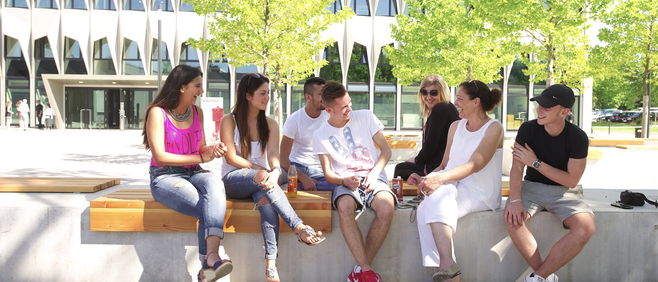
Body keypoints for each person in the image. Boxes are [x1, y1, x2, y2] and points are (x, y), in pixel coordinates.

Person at [220, 73, 325, 282]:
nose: (267, 97)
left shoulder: (270, 124)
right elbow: (231, 158)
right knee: (262, 177)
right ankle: (299, 227)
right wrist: (261, 170)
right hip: (233, 180)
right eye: (262, 93)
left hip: (261, 181)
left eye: (268, 93)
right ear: (248, 96)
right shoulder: (229, 121)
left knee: (266, 199)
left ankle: (271, 266)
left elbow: (275, 158)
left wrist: (276, 171)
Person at [142, 65, 233, 282]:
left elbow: (200, 148)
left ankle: (210, 260)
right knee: (206, 207)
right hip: (165, 176)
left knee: (215, 185)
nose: (201, 91)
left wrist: (210, 151)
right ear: (182, 87)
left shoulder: (197, 112)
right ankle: (209, 261)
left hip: (194, 171)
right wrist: (201, 158)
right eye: (197, 86)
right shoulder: (157, 113)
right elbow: (161, 156)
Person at [410, 80, 503, 282]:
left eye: (460, 99)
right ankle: (448, 270)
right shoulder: (455, 126)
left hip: (480, 192)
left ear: (476, 102)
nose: (456, 103)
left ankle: (447, 267)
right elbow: (444, 165)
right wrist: (425, 179)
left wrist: (439, 180)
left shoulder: (494, 128)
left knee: (434, 200)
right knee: (426, 207)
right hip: (452, 185)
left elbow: (475, 164)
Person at [505, 84, 595, 282]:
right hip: (531, 188)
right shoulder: (528, 129)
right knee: (512, 218)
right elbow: (517, 168)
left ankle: (538, 277)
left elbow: (571, 180)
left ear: (565, 112)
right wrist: (515, 199)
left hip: (564, 192)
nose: (539, 109)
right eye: (539, 104)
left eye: (546, 106)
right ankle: (541, 277)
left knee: (585, 228)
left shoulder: (578, 137)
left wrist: (535, 163)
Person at [312, 81, 396, 282]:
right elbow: (329, 174)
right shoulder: (320, 135)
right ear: (329, 109)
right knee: (344, 207)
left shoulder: (366, 116)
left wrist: (375, 174)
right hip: (346, 182)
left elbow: (386, 151)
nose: (350, 108)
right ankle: (366, 271)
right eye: (344, 107)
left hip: (374, 176)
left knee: (386, 208)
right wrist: (343, 180)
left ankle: (360, 272)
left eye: (350, 103)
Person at [394, 74, 460, 180]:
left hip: (439, 167)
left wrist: (416, 160)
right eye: (424, 92)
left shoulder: (440, 109)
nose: (428, 97)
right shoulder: (445, 108)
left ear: (442, 93)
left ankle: (412, 196)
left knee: (400, 169)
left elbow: (431, 146)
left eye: (433, 93)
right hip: (442, 163)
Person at [280, 77, 335, 191]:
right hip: (295, 167)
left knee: (337, 185)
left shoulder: (330, 117)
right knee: (272, 179)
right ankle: (303, 184)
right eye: (321, 94)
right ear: (308, 97)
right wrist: (304, 178)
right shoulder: (294, 120)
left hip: (319, 168)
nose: (325, 98)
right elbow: (283, 158)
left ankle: (298, 187)